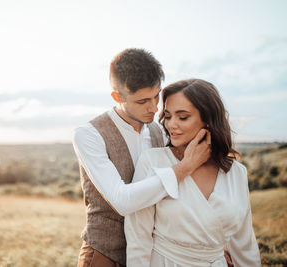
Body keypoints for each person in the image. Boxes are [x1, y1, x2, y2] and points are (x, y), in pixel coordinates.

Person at [72, 49, 211, 267]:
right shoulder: (88, 134)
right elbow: (121, 201)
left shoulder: (160, 131)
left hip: (153, 254)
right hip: (104, 254)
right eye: (142, 101)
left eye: (157, 96)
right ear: (117, 97)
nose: (155, 108)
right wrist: (185, 167)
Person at [125, 79, 261, 266]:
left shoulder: (236, 173)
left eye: (183, 117)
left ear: (208, 119)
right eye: (168, 116)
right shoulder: (153, 161)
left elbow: (245, 243)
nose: (171, 125)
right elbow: (138, 239)